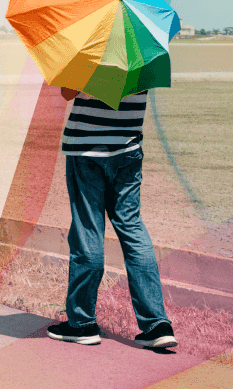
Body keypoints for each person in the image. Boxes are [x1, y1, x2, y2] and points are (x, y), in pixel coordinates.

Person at [45, 87, 177, 348]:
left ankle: (82, 323)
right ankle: (156, 323)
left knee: (88, 229)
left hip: (87, 150)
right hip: (128, 150)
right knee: (132, 229)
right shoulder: (142, 50)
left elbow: (67, 92)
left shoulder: (90, 49)